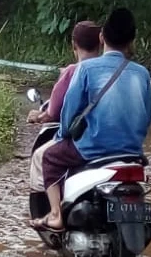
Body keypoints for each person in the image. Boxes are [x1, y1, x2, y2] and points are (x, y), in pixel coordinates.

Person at [31, 8, 151, 232]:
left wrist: (62, 136)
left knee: (49, 158)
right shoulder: (142, 74)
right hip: (132, 152)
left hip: (93, 149)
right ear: (132, 41)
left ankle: (56, 215)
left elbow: (68, 114)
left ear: (102, 37)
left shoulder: (86, 69)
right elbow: (146, 118)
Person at [28, 20, 102, 193]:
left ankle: (48, 213)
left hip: (84, 141)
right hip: (114, 142)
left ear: (73, 44)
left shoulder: (72, 72)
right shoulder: (112, 71)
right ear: (100, 42)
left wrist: (37, 116)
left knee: (41, 157)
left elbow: (54, 113)